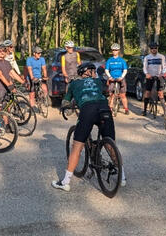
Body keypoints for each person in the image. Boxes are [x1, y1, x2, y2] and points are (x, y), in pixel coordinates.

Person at [52, 62, 124, 191]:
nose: (95, 73)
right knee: (110, 145)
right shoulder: (98, 81)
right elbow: (105, 92)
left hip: (88, 110)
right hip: (104, 110)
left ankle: (65, 182)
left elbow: (66, 101)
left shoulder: (73, 84)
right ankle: (122, 177)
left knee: (77, 146)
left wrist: (66, 106)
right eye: (94, 71)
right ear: (88, 72)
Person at [0, 44, 25, 111]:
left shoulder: (7, 63)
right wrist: (10, 86)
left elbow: (12, 73)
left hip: (7, 88)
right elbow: (1, 76)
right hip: (0, 88)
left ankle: (6, 118)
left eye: (4, 50)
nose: (2, 52)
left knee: (7, 108)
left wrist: (23, 82)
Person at [142, 42, 166, 116]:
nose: (154, 49)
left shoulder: (161, 57)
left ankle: (165, 111)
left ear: (157, 48)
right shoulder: (147, 57)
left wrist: (162, 73)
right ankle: (144, 110)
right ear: (150, 49)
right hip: (150, 76)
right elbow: (144, 67)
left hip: (159, 76)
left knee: (160, 93)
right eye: (152, 48)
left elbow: (164, 66)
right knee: (147, 92)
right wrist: (146, 74)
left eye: (155, 48)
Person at [104, 43, 129, 115]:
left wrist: (122, 77)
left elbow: (125, 70)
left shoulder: (122, 60)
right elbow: (106, 70)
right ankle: (110, 108)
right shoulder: (109, 60)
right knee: (111, 94)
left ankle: (126, 109)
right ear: (112, 51)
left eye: (116, 50)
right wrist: (109, 77)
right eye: (113, 50)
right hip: (112, 78)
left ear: (118, 51)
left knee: (123, 95)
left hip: (120, 78)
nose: (114, 51)